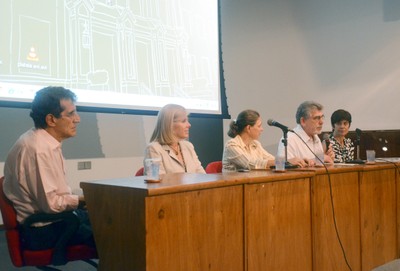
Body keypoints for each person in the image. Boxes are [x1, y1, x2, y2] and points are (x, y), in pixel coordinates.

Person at [3, 86, 95, 264]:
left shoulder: (41, 141)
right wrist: (82, 200)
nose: (78, 119)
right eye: (71, 114)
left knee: (109, 220)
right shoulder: (39, 150)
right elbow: (51, 204)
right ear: (51, 119)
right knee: (116, 231)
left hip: (53, 223)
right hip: (45, 231)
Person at [222, 110, 307, 172]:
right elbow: (250, 164)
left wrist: (296, 161)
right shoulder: (231, 145)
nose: (262, 129)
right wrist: (286, 162)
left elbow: (272, 160)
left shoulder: (255, 144)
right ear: (248, 128)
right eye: (259, 126)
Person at [144, 104, 205, 175]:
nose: (189, 125)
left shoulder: (188, 146)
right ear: (170, 125)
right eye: (183, 121)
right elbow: (156, 183)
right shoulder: (154, 149)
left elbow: (202, 175)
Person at [277, 101, 334, 166]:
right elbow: (283, 166)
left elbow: (318, 164)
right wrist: (318, 159)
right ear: (303, 121)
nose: (321, 122)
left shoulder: (315, 137)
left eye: (322, 117)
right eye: (317, 118)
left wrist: (326, 158)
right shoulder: (289, 138)